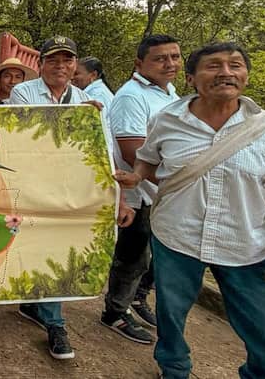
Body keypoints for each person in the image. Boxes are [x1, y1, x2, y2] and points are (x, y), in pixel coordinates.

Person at [116, 42, 265, 379]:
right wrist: (137, 176)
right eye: (213, 66)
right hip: (177, 237)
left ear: (246, 75)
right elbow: (147, 157)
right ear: (191, 78)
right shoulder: (168, 119)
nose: (226, 73)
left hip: (247, 242)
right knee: (171, 315)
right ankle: (173, 369)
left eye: (235, 65)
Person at [7, 36, 110, 361]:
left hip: (67, 190)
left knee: (58, 249)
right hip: (32, 185)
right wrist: (74, 118)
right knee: (27, 246)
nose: (61, 66)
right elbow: (28, 131)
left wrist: (117, 192)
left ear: (75, 65)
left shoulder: (87, 101)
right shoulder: (23, 92)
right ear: (41, 64)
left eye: (67, 61)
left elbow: (102, 149)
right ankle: (33, 304)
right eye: (54, 60)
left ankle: (55, 323)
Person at [100, 35, 182, 344]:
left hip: (161, 190)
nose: (170, 63)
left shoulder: (170, 93)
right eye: (161, 58)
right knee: (132, 255)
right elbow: (132, 150)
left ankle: (136, 300)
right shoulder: (132, 96)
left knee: (150, 256)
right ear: (139, 63)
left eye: (174, 57)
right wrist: (175, 181)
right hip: (137, 191)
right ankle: (115, 312)